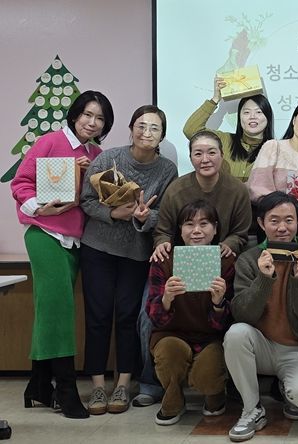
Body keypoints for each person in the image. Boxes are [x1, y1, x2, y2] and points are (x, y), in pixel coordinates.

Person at [11, 90, 114, 419]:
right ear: (75, 115)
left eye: (100, 118)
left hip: (75, 241)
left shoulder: (97, 154)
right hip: (44, 234)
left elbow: (97, 199)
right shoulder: (51, 141)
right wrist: (38, 207)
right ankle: (66, 389)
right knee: (60, 310)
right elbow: (21, 182)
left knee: (50, 310)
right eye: (87, 115)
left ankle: (39, 385)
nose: (92, 123)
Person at [80, 105, 178, 415]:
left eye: (154, 128)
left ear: (162, 136)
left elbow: (167, 216)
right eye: (141, 125)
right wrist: (113, 213)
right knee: (97, 317)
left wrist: (147, 217)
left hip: (136, 254)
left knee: (127, 317)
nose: (147, 132)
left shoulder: (167, 170)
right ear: (131, 128)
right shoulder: (108, 158)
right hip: (97, 249)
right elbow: (86, 201)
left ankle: (123, 382)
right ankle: (98, 385)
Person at [223, 191, 298, 442]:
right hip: (261, 346)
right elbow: (242, 313)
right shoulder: (249, 259)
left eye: (289, 220)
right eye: (274, 220)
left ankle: (286, 387)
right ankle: (252, 409)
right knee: (236, 333)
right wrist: (263, 279)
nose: (282, 228)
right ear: (261, 223)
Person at [145, 200, 234, 425]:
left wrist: (218, 303)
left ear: (215, 228)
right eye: (189, 224)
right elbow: (155, 318)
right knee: (169, 351)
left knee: (208, 372)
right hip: (172, 333)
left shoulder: (226, 261)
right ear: (180, 229)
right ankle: (173, 396)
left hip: (211, 337)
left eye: (204, 224)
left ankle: (214, 393)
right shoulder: (164, 259)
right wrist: (166, 298)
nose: (196, 230)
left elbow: (228, 322)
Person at [152, 130, 251, 261]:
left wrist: (229, 244)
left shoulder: (238, 190)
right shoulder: (175, 190)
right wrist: (162, 243)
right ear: (190, 158)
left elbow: (240, 233)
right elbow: (163, 231)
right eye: (198, 154)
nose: (205, 160)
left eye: (212, 153)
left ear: (222, 155)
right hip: (183, 258)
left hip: (223, 258)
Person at [247, 99, 298, 242]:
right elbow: (256, 188)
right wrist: (284, 206)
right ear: (294, 120)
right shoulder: (273, 147)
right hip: (272, 221)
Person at [183, 76, 274, 182]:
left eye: (258, 112)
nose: (252, 116)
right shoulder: (224, 140)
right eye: (246, 112)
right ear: (239, 117)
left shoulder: (276, 150)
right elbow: (191, 130)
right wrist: (215, 99)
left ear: (268, 117)